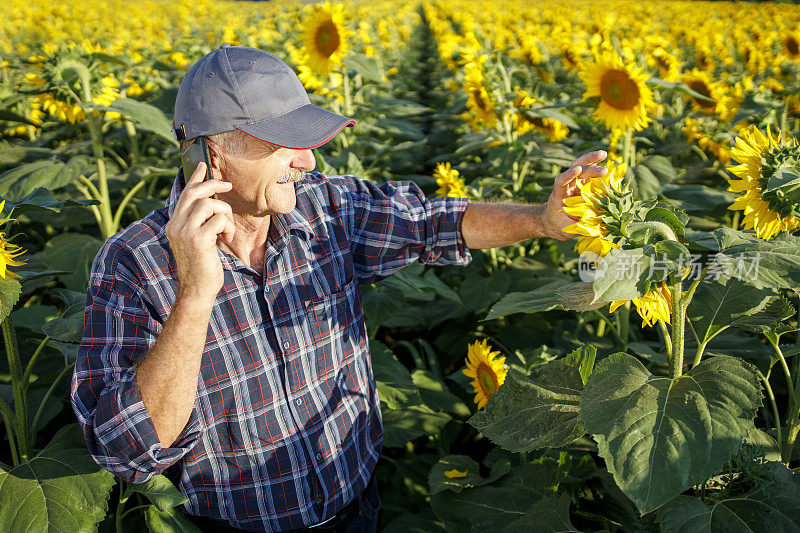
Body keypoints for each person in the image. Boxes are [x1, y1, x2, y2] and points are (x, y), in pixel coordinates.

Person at [70, 45, 608, 533]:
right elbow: (127, 451)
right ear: (210, 156)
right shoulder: (132, 265)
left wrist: (542, 220)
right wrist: (194, 295)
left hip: (358, 506)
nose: (307, 162)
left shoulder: (327, 209)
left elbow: (435, 222)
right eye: (285, 144)